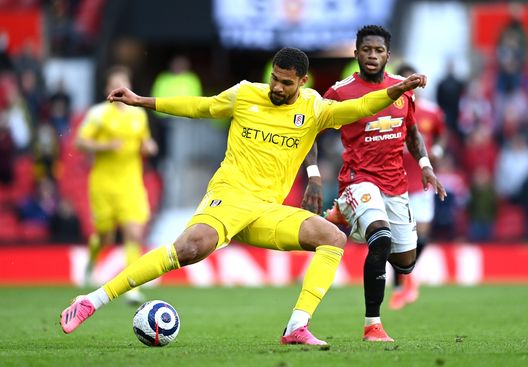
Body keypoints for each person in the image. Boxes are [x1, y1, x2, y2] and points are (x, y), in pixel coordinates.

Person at [59, 47, 426, 345]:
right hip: (229, 197)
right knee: (188, 250)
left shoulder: (314, 108)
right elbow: (200, 106)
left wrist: (394, 91)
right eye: (274, 79)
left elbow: (358, 108)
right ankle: (92, 300)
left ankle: (296, 328)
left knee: (332, 237)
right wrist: (143, 100)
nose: (277, 88)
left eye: (285, 83)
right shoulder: (246, 93)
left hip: (267, 210)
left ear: (301, 81)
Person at [302, 26, 446, 342]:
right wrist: (313, 173)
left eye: (378, 51)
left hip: (395, 183)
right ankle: (373, 325)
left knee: (406, 263)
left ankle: (343, 214)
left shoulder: (401, 89)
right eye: (366, 49)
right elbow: (312, 130)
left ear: (387, 56)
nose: (372, 56)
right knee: (380, 239)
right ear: (356, 53)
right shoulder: (340, 92)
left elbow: (412, 131)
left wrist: (425, 166)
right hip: (358, 179)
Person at [76, 65, 158, 304]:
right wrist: (105, 146)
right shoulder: (98, 115)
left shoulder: (138, 115)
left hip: (131, 183)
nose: (119, 88)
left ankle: (131, 288)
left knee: (134, 233)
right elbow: (80, 143)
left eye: (123, 82)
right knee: (106, 237)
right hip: (103, 184)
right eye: (115, 84)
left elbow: (146, 141)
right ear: (107, 89)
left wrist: (149, 146)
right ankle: (91, 264)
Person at [388, 63, 447, 310]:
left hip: (422, 182)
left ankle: (405, 276)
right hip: (395, 182)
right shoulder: (390, 110)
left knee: (421, 237)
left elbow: (442, 134)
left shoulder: (431, 112)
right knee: (395, 237)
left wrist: (438, 150)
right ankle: (401, 281)